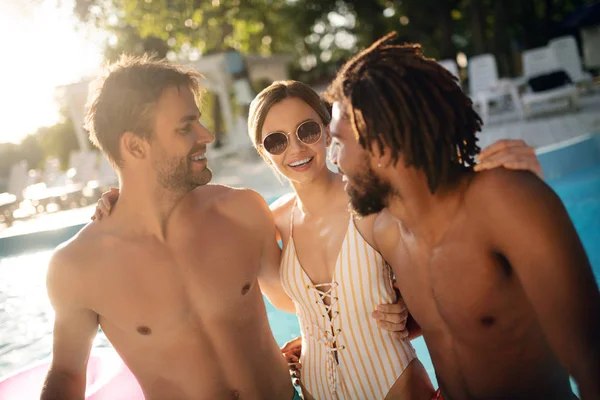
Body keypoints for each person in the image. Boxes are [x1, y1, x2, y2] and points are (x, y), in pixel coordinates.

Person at [95, 77, 543, 399]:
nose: (296, 148)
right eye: (276, 140)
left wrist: (494, 177)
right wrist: (127, 197)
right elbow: (187, 226)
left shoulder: (374, 202)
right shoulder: (267, 223)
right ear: (263, 152)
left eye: (307, 130)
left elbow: (454, 257)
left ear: (326, 129)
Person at [325, 32, 600, 400]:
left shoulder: (503, 202)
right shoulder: (386, 232)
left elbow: (591, 361)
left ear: (383, 149)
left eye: (339, 142)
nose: (333, 159)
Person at [41, 55, 308, 400]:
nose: (207, 135)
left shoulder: (241, 211)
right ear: (135, 146)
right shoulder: (77, 267)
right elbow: (67, 373)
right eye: (186, 127)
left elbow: (296, 299)